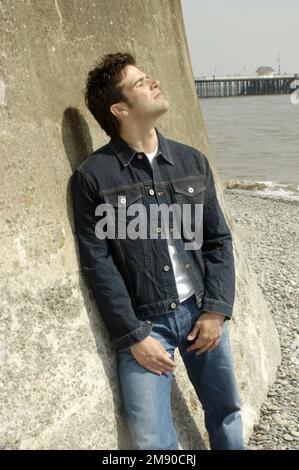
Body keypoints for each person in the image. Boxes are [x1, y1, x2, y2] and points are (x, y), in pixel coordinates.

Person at [71, 52, 245, 450]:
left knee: (227, 410)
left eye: (149, 78)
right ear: (120, 108)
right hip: (146, 324)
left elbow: (218, 239)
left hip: (201, 307)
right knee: (149, 438)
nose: (153, 83)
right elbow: (97, 263)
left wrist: (217, 310)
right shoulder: (92, 177)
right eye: (140, 83)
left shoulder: (190, 161)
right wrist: (134, 335)